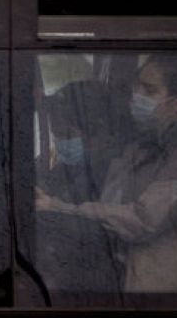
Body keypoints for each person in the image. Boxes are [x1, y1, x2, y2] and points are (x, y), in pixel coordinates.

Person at [36, 55, 177, 294]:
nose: (136, 97)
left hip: (166, 290)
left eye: (148, 90)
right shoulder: (147, 144)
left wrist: (59, 208)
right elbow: (112, 202)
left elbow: (143, 219)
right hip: (131, 272)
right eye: (136, 87)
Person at [34, 81, 124, 300]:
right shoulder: (64, 167)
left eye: (66, 133)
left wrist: (52, 208)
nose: (60, 141)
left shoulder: (117, 171)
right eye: (56, 134)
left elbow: (103, 232)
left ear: (94, 130)